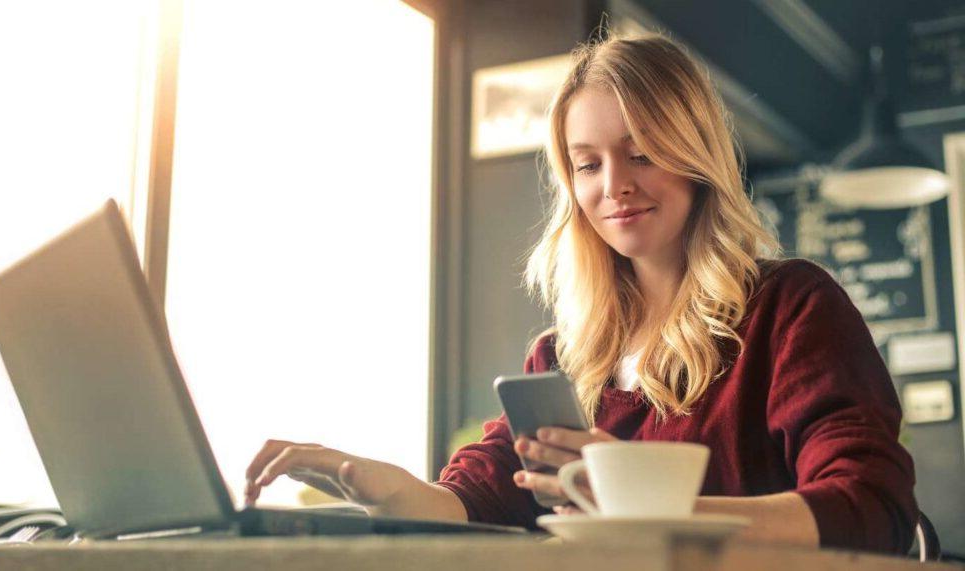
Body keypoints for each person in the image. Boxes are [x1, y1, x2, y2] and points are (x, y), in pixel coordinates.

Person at [243, 34, 918, 554]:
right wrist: (378, 483)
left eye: (643, 152)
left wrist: (645, 501)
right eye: (588, 164)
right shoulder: (563, 353)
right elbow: (483, 496)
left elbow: (871, 506)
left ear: (696, 156)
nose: (613, 186)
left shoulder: (791, 308)